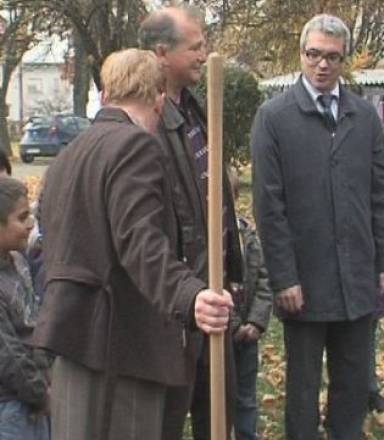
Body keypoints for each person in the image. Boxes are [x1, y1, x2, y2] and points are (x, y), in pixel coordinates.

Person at [32, 48, 233, 440]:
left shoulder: (68, 155)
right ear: (159, 99)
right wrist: (189, 295)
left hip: (71, 336)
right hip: (120, 345)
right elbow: (139, 241)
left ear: (106, 94)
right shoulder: (136, 146)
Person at [251, 13, 384, 440]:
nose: (322, 65)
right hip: (304, 282)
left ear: (343, 60)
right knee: (303, 390)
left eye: (332, 57)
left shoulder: (364, 117)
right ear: (301, 55)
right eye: (314, 54)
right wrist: (284, 277)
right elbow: (269, 207)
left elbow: (381, 194)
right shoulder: (274, 118)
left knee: (352, 387)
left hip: (357, 279)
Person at [139, 7, 244, 438]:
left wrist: (231, 271)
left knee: (218, 412)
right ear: (162, 53)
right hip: (176, 304)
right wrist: (186, 292)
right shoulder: (147, 124)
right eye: (195, 47)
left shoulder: (195, 108)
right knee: (167, 418)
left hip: (211, 290)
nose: (204, 55)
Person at [0, 176, 48, 440]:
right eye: (21, 218)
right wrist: (40, 394)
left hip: (34, 396)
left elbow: (34, 323)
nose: (31, 224)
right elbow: (8, 353)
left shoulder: (19, 262)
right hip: (10, 407)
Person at [227, 167, 273, 440]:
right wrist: (233, 324)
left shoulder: (249, 238)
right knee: (218, 393)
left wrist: (256, 321)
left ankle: (246, 433)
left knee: (246, 394)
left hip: (248, 333)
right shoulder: (208, 240)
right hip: (222, 332)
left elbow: (265, 281)